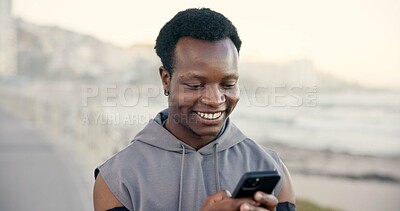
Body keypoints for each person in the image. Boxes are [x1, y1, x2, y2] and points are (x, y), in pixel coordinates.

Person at [93, 8, 295, 211]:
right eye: (195, 85)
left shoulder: (272, 168)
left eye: (227, 84)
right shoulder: (117, 180)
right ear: (166, 80)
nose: (215, 100)